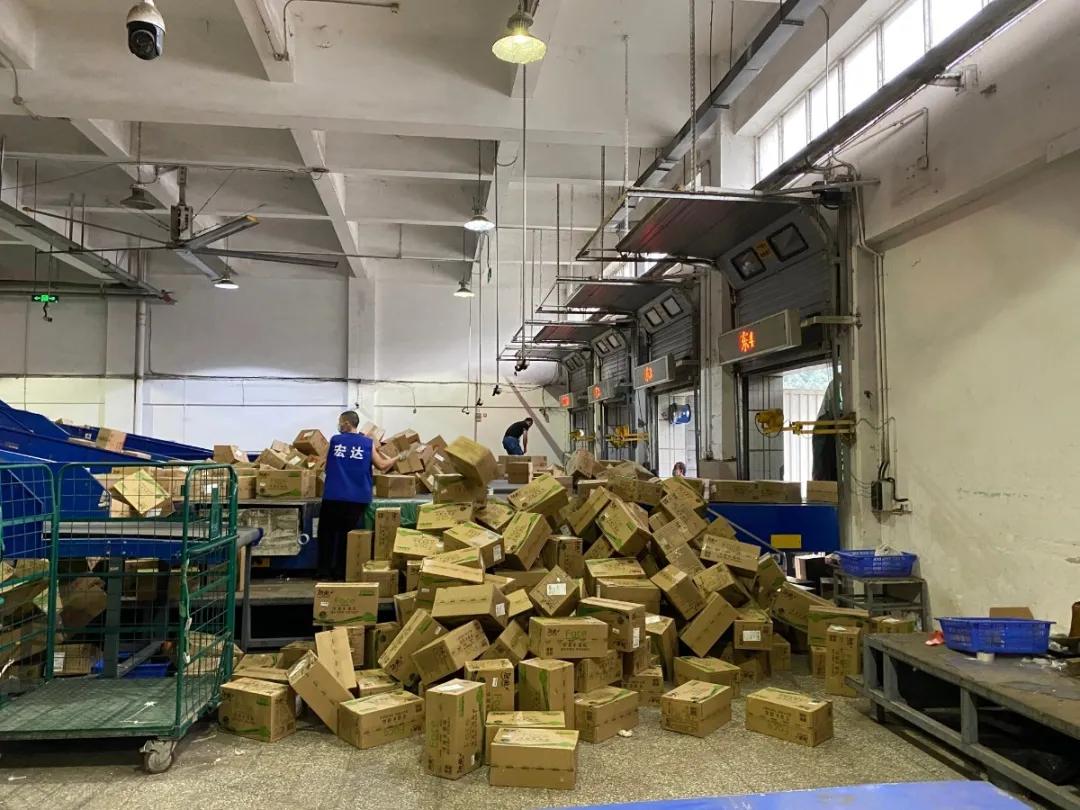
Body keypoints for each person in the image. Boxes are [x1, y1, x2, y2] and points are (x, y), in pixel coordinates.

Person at [317, 410, 395, 580]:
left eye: (340, 422)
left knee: (327, 534)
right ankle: (342, 572)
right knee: (347, 536)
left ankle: (323, 572)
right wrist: (395, 459)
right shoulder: (367, 443)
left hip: (334, 495)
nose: (339, 425)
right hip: (357, 497)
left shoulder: (335, 440)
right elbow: (382, 465)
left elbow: (325, 466)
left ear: (346, 423)